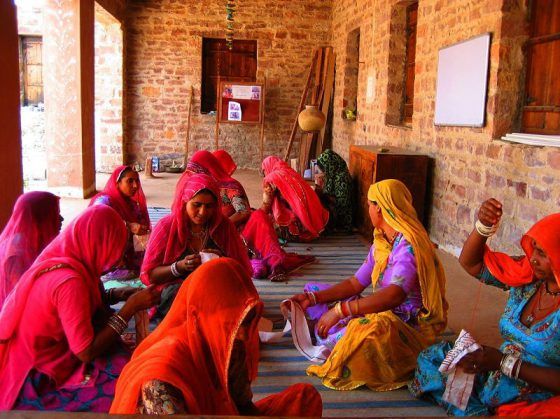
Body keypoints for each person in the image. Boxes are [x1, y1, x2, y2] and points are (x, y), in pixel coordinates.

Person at [110, 258, 323, 416]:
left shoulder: (233, 342)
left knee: (304, 398)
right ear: (199, 316)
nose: (242, 334)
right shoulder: (159, 380)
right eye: (230, 324)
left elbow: (243, 406)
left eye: (247, 322)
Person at [290, 179, 447, 391]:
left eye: (370, 204)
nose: (368, 208)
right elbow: (356, 282)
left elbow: (394, 295)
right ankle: (330, 329)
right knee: (314, 289)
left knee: (365, 333)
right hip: (383, 309)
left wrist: (341, 310)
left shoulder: (408, 247)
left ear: (380, 209)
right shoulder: (382, 243)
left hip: (402, 324)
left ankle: (336, 335)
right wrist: (313, 299)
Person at [0, 205, 160, 412]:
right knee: (128, 388)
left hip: (58, 350)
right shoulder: (69, 282)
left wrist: (115, 294)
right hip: (41, 371)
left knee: (128, 363)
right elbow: (85, 352)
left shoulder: (73, 259)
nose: (119, 257)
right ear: (97, 242)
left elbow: (80, 306)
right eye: (114, 246)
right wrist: (129, 308)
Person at [410, 199, 560, 416]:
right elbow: (472, 264)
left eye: (543, 255)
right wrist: (482, 227)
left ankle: (475, 409)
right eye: (533, 250)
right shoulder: (526, 277)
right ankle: (478, 410)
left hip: (539, 392)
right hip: (496, 373)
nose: (533, 259)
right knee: (434, 358)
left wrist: (504, 363)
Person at [187, 150, 315, 281]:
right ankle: (257, 261)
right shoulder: (196, 189)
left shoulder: (230, 187)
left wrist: (219, 226)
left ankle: (274, 263)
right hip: (212, 235)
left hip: (233, 232)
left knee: (259, 218)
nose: (194, 176)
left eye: (197, 172)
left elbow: (243, 212)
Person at [140, 173, 251, 319]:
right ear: (185, 201)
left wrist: (221, 261)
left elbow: (240, 269)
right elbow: (151, 275)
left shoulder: (222, 226)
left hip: (214, 285)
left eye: (209, 206)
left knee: (237, 296)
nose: (203, 212)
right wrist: (179, 267)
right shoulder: (166, 227)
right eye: (196, 205)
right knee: (177, 296)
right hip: (177, 288)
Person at [0, 191, 62, 308]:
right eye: (55, 215)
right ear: (39, 219)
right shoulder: (16, 255)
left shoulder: (32, 242)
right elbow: (20, 300)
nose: (61, 219)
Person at [91, 166, 150, 278]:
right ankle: (112, 267)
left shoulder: (132, 204)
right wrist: (127, 225)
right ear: (117, 183)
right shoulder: (104, 201)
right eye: (130, 181)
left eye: (137, 180)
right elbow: (96, 221)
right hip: (108, 253)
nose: (135, 186)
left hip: (126, 252)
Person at [262, 155, 329, 242]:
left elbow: (266, 205)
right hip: (313, 221)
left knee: (265, 225)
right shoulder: (290, 172)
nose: (264, 174)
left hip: (296, 228)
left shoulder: (271, 179)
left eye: (264, 170)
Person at [315, 149, 353, 233]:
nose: (324, 171)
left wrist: (324, 195)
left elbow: (342, 203)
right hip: (335, 205)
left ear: (330, 165)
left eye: (325, 168)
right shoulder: (333, 174)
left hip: (342, 219)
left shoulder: (342, 178)